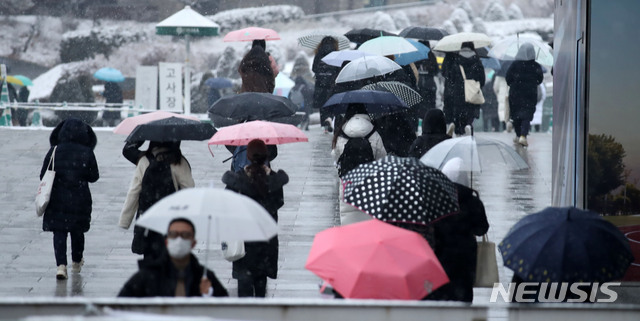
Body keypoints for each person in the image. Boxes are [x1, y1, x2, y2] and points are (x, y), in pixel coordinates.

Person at [222, 139, 289, 297]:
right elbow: (278, 202)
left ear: (248, 155)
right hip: (265, 241)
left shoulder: (237, 179)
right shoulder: (273, 180)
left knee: (244, 289)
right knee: (260, 286)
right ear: (267, 155)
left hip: (243, 240)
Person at [39, 118, 99, 280]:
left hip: (57, 199)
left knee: (59, 232)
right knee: (77, 232)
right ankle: (76, 261)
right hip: (80, 199)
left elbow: (43, 175)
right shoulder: (87, 152)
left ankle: (61, 266)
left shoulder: (55, 151)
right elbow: (94, 177)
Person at [425, 157, 489, 302]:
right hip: (466, 261)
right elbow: (482, 229)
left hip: (440, 258)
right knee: (463, 299)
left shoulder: (436, 199)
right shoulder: (473, 202)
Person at [119, 141, 195, 260]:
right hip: (171, 219)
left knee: (149, 256)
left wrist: (125, 220)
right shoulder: (178, 161)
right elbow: (189, 190)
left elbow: (134, 191)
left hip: (148, 219)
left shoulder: (144, 160)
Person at [118, 218, 229, 297]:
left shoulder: (205, 277)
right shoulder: (147, 276)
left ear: (193, 243)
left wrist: (209, 295)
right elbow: (120, 308)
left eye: (185, 235)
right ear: (167, 241)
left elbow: (227, 311)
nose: (179, 240)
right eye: (174, 234)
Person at [331, 104, 386, 225]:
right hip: (369, 182)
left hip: (348, 182)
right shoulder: (374, 133)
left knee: (348, 218)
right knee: (368, 220)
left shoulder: (342, 132)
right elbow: (382, 158)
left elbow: (336, 155)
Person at [442, 42, 485, 136]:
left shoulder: (457, 60)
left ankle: (458, 131)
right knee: (471, 111)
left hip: (459, 91)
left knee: (459, 112)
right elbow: (482, 79)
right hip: (473, 91)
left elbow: (451, 77)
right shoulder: (477, 61)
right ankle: (469, 125)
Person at [506, 43, 544, 146]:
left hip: (515, 93)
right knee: (526, 116)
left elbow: (508, 78)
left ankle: (518, 135)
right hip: (530, 93)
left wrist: (514, 83)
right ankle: (523, 135)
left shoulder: (515, 65)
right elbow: (540, 79)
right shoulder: (535, 65)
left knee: (516, 115)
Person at [312, 36, 341, 133]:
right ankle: (330, 118)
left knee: (322, 104)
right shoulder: (336, 53)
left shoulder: (319, 53)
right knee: (332, 103)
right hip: (332, 83)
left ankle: (324, 126)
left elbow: (314, 68)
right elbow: (339, 69)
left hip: (320, 83)